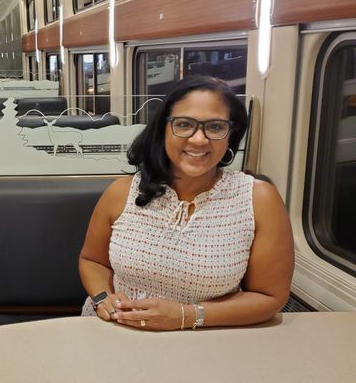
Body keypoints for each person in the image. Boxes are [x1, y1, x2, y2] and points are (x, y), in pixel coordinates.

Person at [78, 76, 294, 330]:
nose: (199, 139)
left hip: (208, 338)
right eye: (184, 124)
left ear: (230, 135)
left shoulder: (258, 200)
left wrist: (187, 316)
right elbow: (93, 260)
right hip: (114, 329)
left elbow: (269, 297)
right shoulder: (121, 192)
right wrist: (103, 297)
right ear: (163, 129)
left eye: (214, 127)